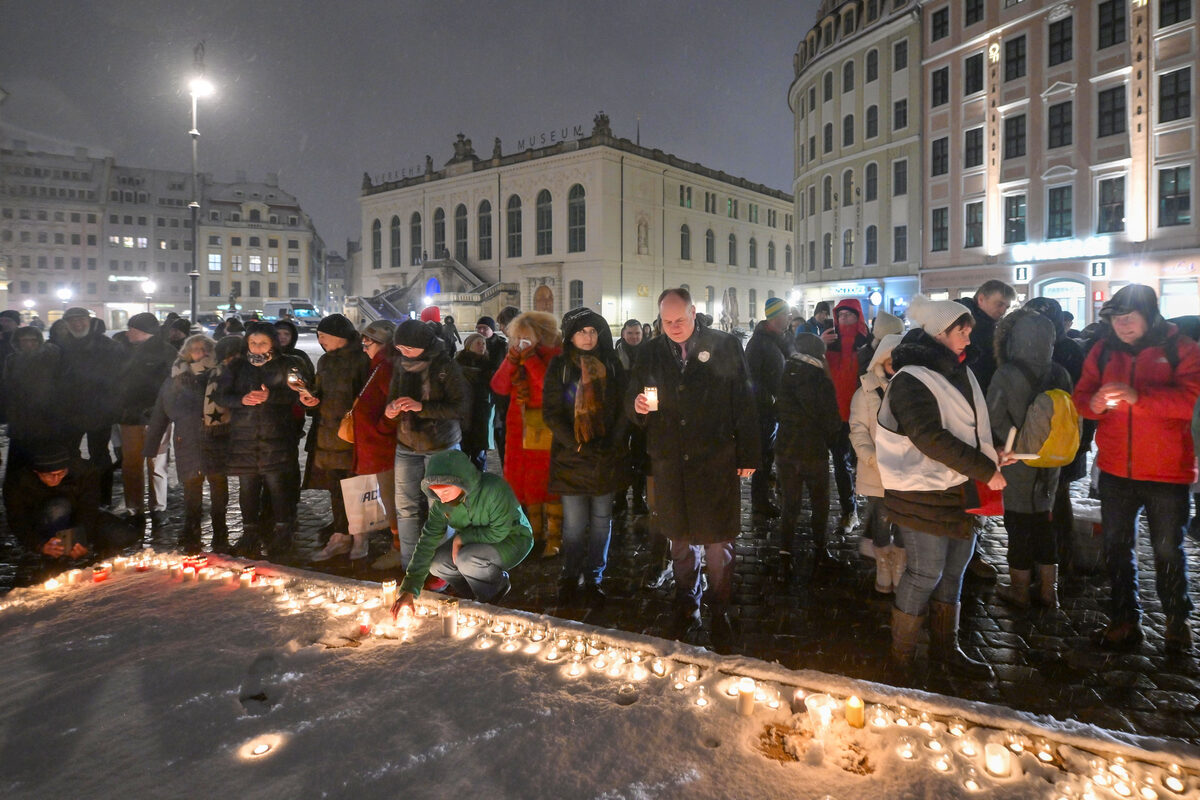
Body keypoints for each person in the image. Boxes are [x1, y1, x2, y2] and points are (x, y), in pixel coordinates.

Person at [876, 295, 1012, 679]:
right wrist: (984, 468)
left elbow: (969, 425)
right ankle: (900, 660)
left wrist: (994, 450)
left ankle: (945, 651)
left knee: (954, 573)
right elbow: (928, 436)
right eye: (961, 330)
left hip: (958, 487)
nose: (968, 336)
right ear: (939, 332)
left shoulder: (961, 370)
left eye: (969, 329)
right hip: (921, 490)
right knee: (925, 573)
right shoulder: (911, 378)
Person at [627, 288, 758, 651]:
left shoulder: (725, 345)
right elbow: (631, 397)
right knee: (679, 540)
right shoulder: (650, 351)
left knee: (718, 543)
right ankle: (686, 603)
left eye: (680, 320)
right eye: (666, 321)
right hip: (670, 461)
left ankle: (720, 607)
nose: (674, 327)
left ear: (694, 312)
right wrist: (636, 406)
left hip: (714, 459)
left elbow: (745, 400)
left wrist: (748, 454)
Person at [1074, 284, 1200, 653]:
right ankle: (1124, 620)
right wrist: (1094, 404)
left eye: (1130, 317)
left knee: (1168, 549)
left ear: (1150, 315)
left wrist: (1138, 398)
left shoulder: (1181, 349)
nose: (1123, 324)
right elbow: (1081, 398)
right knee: (1116, 547)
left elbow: (1190, 403)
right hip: (1116, 470)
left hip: (1167, 472)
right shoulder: (1102, 351)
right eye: (1116, 318)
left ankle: (1177, 621)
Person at [543, 307, 628, 609]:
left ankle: (594, 577)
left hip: (606, 456)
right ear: (570, 336)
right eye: (582, 331)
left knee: (602, 522)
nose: (588, 337)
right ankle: (570, 574)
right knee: (575, 525)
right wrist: (576, 445)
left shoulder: (612, 363)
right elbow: (551, 412)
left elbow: (623, 407)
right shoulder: (561, 366)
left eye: (593, 331)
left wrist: (613, 442)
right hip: (572, 458)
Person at [987, 309, 1073, 609]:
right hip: (1050, 460)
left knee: (1018, 526)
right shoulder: (1060, 372)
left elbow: (993, 417)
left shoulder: (1006, 374)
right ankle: (1050, 591)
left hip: (1016, 460)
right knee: (1045, 524)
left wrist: (1012, 441)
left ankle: (1020, 590)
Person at [390, 449, 533, 613]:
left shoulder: (493, 489)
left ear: (462, 482)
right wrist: (410, 589)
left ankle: (494, 592)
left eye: (445, 491)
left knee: (466, 559)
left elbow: (499, 531)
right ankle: (471, 597)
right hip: (473, 542)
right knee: (437, 563)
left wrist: (461, 538)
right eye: (436, 493)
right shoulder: (442, 504)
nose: (441, 498)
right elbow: (427, 542)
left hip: (512, 538)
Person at [381, 319, 471, 571]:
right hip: (407, 443)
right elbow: (391, 399)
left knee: (440, 508)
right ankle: (410, 564)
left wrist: (422, 407)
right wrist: (391, 410)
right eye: (399, 348)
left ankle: (442, 568)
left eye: (409, 348)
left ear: (424, 345)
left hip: (441, 445)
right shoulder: (400, 365)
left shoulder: (445, 366)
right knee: (406, 507)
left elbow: (460, 407)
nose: (403, 353)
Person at [214, 321, 303, 559]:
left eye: (262, 342)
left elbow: (298, 394)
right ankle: (249, 532)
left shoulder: (288, 364)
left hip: (276, 436)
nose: (257, 347)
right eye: (253, 342)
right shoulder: (237, 366)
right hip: (244, 436)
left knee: (278, 486)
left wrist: (270, 396)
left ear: (273, 343)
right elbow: (220, 395)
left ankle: (283, 531)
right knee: (248, 486)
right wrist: (241, 400)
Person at [144, 335, 230, 554]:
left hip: (216, 439)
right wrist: (151, 446)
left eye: (205, 348)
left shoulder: (221, 374)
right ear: (187, 353)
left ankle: (220, 532)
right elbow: (160, 412)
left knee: (218, 485)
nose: (200, 353)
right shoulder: (175, 378)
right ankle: (192, 529)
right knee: (191, 486)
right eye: (195, 349)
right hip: (187, 440)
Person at [956, 279, 1017, 583]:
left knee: (975, 483)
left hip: (982, 412)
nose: (1003, 310)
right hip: (969, 413)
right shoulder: (969, 326)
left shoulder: (990, 327)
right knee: (969, 483)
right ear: (981, 299)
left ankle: (969, 549)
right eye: (999, 304)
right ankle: (966, 552)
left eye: (1006, 306)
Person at [489, 310, 563, 556]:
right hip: (518, 429)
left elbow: (549, 387)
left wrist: (530, 359)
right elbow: (498, 386)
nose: (521, 342)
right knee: (525, 483)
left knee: (547, 482)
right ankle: (533, 535)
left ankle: (554, 537)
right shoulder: (515, 356)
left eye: (526, 337)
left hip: (544, 427)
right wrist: (511, 360)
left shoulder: (556, 355)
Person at [1022, 296, 1087, 570]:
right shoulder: (1028, 348)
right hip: (1037, 438)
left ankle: (1058, 559)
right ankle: (1043, 559)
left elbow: (1080, 399)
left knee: (1056, 500)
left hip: (1062, 439)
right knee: (1039, 500)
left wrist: (1081, 442)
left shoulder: (1066, 350)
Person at [305, 314, 372, 562]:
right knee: (335, 488)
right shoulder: (324, 360)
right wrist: (310, 399)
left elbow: (368, 397)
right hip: (327, 435)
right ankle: (340, 535)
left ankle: (360, 536)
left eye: (323, 336)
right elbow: (320, 391)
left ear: (339, 336)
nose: (320, 340)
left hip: (352, 436)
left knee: (357, 488)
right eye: (318, 336)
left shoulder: (361, 360)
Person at [775, 333, 842, 576]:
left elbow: (778, 410)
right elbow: (831, 421)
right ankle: (820, 551)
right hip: (813, 451)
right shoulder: (820, 380)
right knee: (820, 503)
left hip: (786, 449)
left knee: (789, 504)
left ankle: (784, 555)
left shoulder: (785, 374)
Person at [5, 443, 140, 562]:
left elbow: (89, 509)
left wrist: (81, 541)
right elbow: (17, 519)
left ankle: (88, 551)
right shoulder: (18, 482)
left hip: (75, 517)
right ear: (36, 472)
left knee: (123, 535)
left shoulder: (84, 473)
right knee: (58, 508)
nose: (56, 478)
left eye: (61, 473)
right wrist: (40, 545)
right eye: (50, 475)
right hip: (43, 523)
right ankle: (56, 557)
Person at [849, 333, 905, 593]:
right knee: (881, 519)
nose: (895, 364)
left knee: (906, 521)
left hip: (907, 471)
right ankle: (883, 564)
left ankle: (900, 564)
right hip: (877, 470)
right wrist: (871, 457)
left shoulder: (913, 388)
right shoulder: (866, 391)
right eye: (890, 359)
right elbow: (858, 430)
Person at [54, 307, 121, 507]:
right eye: (72, 321)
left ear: (89, 321)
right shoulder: (58, 345)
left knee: (99, 454)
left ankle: (103, 498)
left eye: (81, 319)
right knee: (69, 453)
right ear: (66, 324)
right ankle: (74, 492)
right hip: (69, 411)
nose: (77, 324)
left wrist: (111, 403)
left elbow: (118, 376)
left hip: (99, 410)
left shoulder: (107, 345)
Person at [116, 313, 178, 527]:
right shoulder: (124, 349)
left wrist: (159, 409)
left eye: (131, 329)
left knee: (157, 463)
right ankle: (135, 508)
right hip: (130, 416)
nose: (127, 333)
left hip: (155, 417)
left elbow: (171, 384)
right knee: (132, 464)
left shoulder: (166, 351)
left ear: (143, 331)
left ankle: (157, 507)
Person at [822, 298, 871, 533]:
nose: (844, 319)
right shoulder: (829, 343)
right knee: (841, 463)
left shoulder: (868, 344)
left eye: (849, 315)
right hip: (836, 414)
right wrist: (820, 345)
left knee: (867, 463)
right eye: (840, 315)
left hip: (864, 414)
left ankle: (877, 514)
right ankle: (849, 511)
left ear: (858, 316)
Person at [744, 297, 793, 518]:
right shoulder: (758, 343)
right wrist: (771, 400)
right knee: (762, 456)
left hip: (776, 410)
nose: (789, 318)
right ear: (774, 317)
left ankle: (766, 496)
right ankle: (760, 501)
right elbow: (750, 380)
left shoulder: (779, 339)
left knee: (769, 455)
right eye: (786, 314)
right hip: (763, 412)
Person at [613, 319, 648, 516]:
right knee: (620, 455)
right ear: (623, 334)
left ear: (642, 334)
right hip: (620, 413)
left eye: (637, 333)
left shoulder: (649, 354)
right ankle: (619, 496)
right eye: (630, 333)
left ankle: (637, 496)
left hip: (642, 412)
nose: (634, 337)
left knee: (640, 455)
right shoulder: (616, 355)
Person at [455, 333, 495, 474]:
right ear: (468, 345)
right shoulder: (457, 364)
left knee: (479, 451)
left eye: (483, 343)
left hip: (481, 412)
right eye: (478, 343)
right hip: (463, 411)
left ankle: (479, 478)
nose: (482, 346)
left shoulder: (489, 365)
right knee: (462, 450)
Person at [857, 310, 905, 375]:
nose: (898, 337)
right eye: (897, 334)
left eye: (900, 333)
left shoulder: (901, 352)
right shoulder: (866, 355)